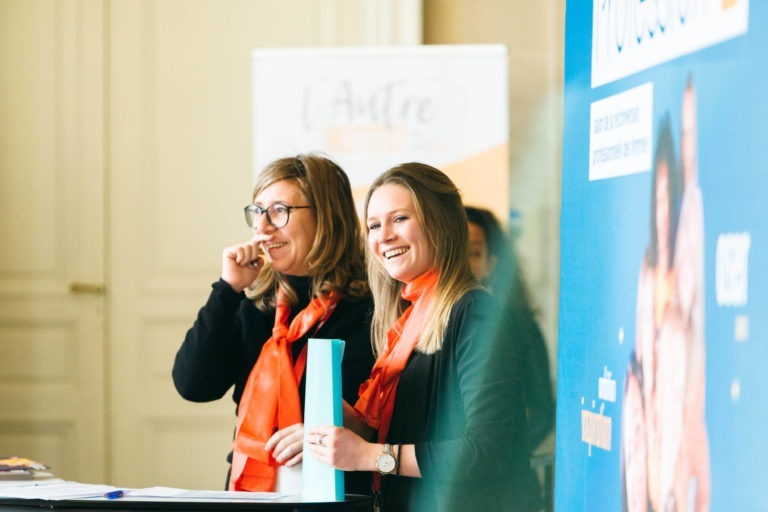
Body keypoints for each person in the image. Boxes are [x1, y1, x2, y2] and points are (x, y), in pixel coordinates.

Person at [306, 163, 537, 511]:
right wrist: (350, 423)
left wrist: (372, 456)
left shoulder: (474, 312)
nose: (383, 235)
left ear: (440, 223)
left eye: (399, 219)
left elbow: (489, 450)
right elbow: (423, 430)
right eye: (373, 225)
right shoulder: (409, 322)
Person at [172, 153, 375, 494]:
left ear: (327, 216)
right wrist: (227, 289)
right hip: (253, 490)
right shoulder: (254, 302)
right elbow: (194, 386)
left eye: (279, 211)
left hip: (341, 489)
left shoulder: (371, 305)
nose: (262, 228)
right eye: (258, 211)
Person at [464, 205, 555, 456]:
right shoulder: (415, 325)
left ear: (491, 264)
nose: (460, 260)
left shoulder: (516, 326)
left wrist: (497, 457)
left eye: (472, 252)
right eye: (452, 247)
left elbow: (541, 413)